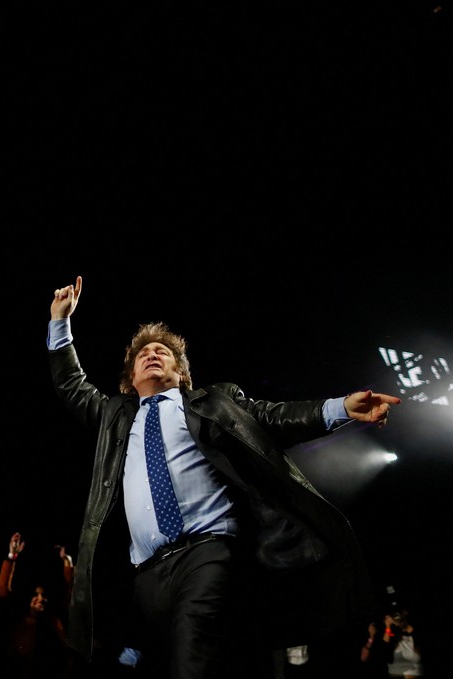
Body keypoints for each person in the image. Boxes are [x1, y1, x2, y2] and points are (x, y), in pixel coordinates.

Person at [47, 275, 400, 678]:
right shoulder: (115, 416)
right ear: (129, 379)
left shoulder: (214, 401)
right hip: (144, 574)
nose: (153, 354)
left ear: (181, 373)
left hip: (208, 551)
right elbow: (72, 387)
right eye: (143, 353)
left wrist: (338, 408)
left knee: (193, 660)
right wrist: (61, 322)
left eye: (163, 351)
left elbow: (272, 417)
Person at [0, 531, 75, 679]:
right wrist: (12, 556)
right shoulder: (20, 620)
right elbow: (4, 589)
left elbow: (67, 594)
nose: (41, 598)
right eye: (36, 595)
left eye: (43, 595)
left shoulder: (53, 621)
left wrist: (67, 563)